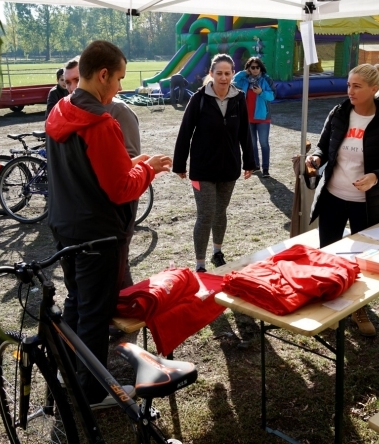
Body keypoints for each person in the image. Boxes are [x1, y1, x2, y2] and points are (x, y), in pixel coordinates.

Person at [45, 40, 172, 409]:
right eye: (119, 78)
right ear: (103, 75)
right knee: (96, 316)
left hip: (65, 227)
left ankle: (67, 370)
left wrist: (134, 165)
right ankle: (91, 392)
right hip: (98, 236)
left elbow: (97, 174)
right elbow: (120, 189)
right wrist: (148, 168)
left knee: (77, 303)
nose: (120, 87)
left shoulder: (59, 110)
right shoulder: (101, 123)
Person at [305, 63, 379, 337]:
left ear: (374, 89)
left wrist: (376, 177)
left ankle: (359, 309)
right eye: (349, 84)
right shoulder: (339, 113)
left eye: (357, 86)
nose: (350, 90)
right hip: (333, 197)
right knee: (328, 254)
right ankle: (330, 304)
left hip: (368, 204)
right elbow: (323, 146)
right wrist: (315, 158)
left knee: (362, 261)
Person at [172, 53, 254, 273]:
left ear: (233, 74)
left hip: (229, 167)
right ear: (211, 73)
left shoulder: (239, 98)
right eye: (219, 73)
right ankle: (199, 264)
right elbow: (185, 133)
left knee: (221, 212)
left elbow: (245, 132)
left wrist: (249, 162)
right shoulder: (198, 99)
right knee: (205, 214)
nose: (224, 77)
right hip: (202, 169)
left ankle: (217, 252)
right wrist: (179, 164)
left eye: (228, 73)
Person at [233, 56, 275, 177]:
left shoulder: (266, 79)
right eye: (252, 67)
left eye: (257, 67)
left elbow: (272, 96)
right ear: (249, 69)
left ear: (261, 68)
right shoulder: (245, 79)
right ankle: (256, 165)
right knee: (252, 144)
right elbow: (234, 81)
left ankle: (265, 168)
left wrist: (261, 92)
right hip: (247, 117)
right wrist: (244, 72)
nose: (255, 69)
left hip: (263, 117)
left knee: (264, 143)